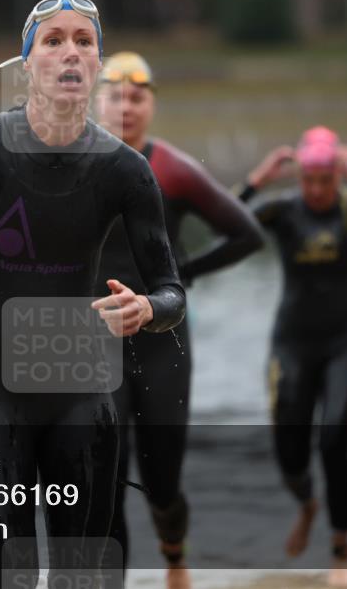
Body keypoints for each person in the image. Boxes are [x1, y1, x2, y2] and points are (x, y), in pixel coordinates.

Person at [0, 0, 186, 589]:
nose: (70, 52)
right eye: (53, 41)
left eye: (84, 41)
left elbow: (173, 292)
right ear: (27, 65)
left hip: (82, 397)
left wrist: (146, 308)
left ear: (97, 65)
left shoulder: (125, 170)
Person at [93, 51, 264, 587]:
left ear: (152, 105)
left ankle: (174, 557)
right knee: (105, 481)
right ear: (97, 102)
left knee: (162, 481)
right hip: (94, 345)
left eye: (137, 97)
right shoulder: (73, 164)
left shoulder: (172, 168)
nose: (126, 107)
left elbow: (247, 234)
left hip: (163, 338)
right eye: (115, 96)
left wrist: (183, 272)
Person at [235, 126, 347, 588]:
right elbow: (227, 223)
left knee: (333, 443)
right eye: (308, 180)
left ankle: (341, 552)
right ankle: (308, 504)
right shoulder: (285, 209)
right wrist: (256, 181)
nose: (316, 190)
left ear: (338, 178)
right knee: (290, 455)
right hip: (292, 346)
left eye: (326, 180)